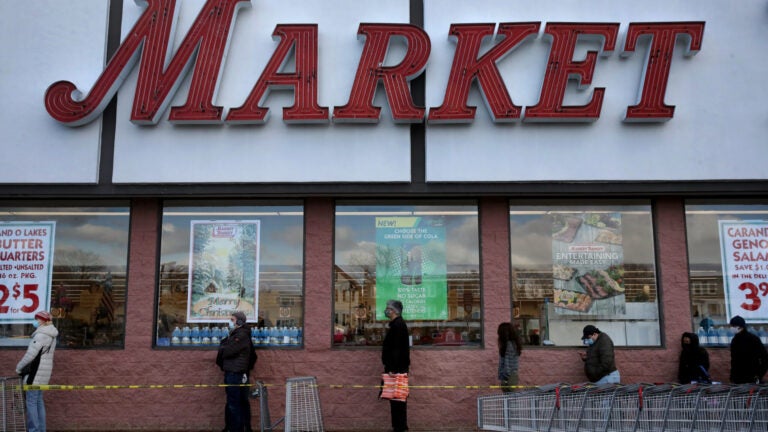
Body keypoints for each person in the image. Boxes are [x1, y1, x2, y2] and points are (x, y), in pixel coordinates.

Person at [15, 311, 58, 432]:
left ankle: (34, 430)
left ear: (43, 321)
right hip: (44, 373)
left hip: (34, 374)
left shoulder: (41, 335)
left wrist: (18, 367)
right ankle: (41, 429)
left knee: (31, 402)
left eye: (37, 319)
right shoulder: (52, 334)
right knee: (38, 401)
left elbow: (30, 355)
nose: (35, 321)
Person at [217, 311, 252, 432]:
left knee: (234, 404)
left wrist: (223, 345)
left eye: (232, 320)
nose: (230, 322)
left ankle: (236, 429)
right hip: (235, 372)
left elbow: (227, 351)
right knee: (236, 402)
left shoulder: (240, 335)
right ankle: (233, 427)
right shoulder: (235, 334)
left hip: (235, 372)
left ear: (239, 321)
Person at [382, 300, 410, 432]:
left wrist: (393, 369)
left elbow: (397, 349)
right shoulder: (396, 325)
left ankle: (400, 428)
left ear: (394, 311)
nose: (386, 310)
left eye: (388, 308)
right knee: (395, 399)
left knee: (398, 400)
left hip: (396, 370)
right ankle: (398, 427)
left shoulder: (398, 325)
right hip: (395, 368)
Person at [729, 315, 768, 384]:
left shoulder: (752, 339)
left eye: (733, 326)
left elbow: (764, 358)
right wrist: (732, 376)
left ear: (739, 327)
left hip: (752, 378)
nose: (731, 328)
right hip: (738, 379)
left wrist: (759, 375)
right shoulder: (735, 340)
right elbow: (734, 360)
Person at [497, 322, 523, 392]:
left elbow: (507, 362)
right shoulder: (514, 344)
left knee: (508, 398)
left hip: (507, 377)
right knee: (511, 398)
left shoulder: (508, 345)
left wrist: (505, 377)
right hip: (512, 375)